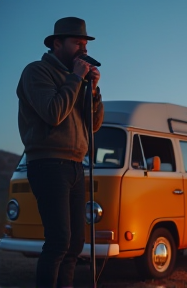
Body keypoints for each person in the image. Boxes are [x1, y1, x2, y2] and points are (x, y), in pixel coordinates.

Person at [16, 17, 104, 288]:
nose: (84, 50)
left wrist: (94, 90)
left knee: (76, 243)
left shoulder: (76, 81)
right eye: (77, 43)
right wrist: (76, 78)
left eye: (86, 45)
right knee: (58, 241)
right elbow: (53, 113)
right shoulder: (37, 72)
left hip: (76, 165)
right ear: (57, 44)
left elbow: (95, 125)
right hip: (48, 163)